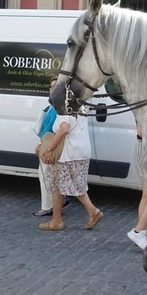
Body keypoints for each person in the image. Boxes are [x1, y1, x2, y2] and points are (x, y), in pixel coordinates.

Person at [38, 112, 103, 231]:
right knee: (59, 185)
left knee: (72, 185)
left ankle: (92, 211)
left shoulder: (64, 107)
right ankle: (56, 220)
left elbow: (64, 129)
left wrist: (49, 149)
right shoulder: (80, 105)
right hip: (81, 150)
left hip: (68, 152)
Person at [32, 77, 70, 217]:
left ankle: (47, 207)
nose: (52, 89)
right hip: (52, 144)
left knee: (46, 175)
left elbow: (49, 129)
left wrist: (42, 145)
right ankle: (60, 200)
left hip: (51, 145)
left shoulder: (56, 107)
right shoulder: (53, 105)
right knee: (53, 176)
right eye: (51, 86)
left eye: (55, 87)